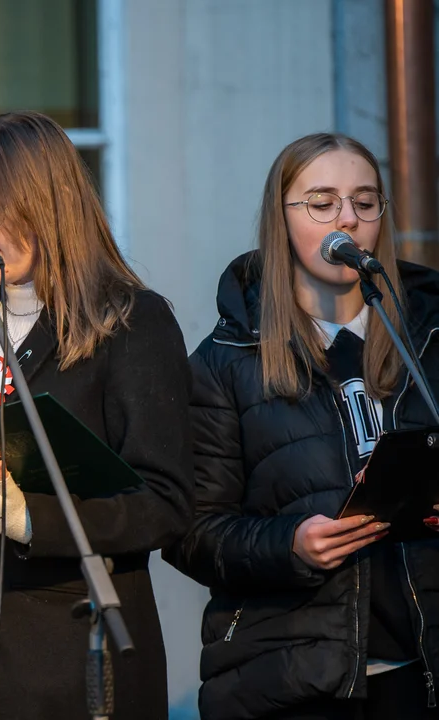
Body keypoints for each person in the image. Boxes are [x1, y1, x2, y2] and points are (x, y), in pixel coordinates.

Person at [0, 111, 194, 720]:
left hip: (66, 660)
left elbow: (163, 504)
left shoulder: (129, 323)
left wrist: (25, 517)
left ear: (48, 203)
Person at [164, 132, 439, 719]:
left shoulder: (428, 341)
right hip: (291, 678)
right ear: (281, 219)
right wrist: (288, 545)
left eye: (365, 203)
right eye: (322, 202)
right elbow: (190, 530)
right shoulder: (225, 361)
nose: (348, 219)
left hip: (422, 672)